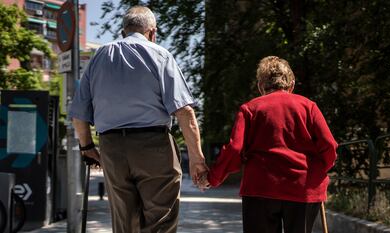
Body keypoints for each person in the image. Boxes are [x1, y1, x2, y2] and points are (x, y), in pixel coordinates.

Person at [69, 6, 208, 233]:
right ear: (152, 32)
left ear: (124, 31)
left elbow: (79, 114)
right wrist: (196, 159)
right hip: (153, 146)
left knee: (124, 223)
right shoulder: (160, 54)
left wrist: (87, 147)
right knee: (160, 220)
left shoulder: (100, 57)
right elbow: (184, 111)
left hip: (112, 148)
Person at [204, 56, 338, 233]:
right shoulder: (308, 106)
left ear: (261, 86)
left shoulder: (250, 109)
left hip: (260, 188)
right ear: (291, 84)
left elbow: (235, 148)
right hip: (303, 188)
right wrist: (319, 172)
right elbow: (329, 146)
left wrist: (212, 178)